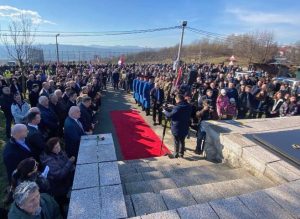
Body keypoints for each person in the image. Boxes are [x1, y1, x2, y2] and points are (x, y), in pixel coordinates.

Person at [40, 137, 75, 208]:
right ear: (50, 149)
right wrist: (70, 162)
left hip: (66, 182)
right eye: (56, 147)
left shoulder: (58, 152)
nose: (59, 148)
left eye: (59, 146)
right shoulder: (49, 161)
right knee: (61, 202)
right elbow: (60, 175)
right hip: (59, 187)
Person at [163, 94, 192, 158]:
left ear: (178, 99)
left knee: (176, 140)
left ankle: (176, 153)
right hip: (185, 125)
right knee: (182, 140)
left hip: (177, 126)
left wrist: (165, 111)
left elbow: (170, 115)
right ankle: (181, 153)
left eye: (176, 100)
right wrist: (173, 106)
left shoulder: (178, 107)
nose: (175, 102)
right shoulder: (189, 106)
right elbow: (180, 109)